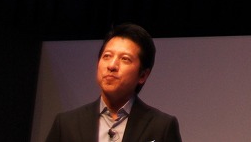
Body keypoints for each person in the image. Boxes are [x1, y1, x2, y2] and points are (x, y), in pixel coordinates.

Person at [45, 22, 182, 142]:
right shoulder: (66, 124)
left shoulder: (161, 127)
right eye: (107, 56)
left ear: (143, 75)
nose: (111, 66)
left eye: (125, 59)